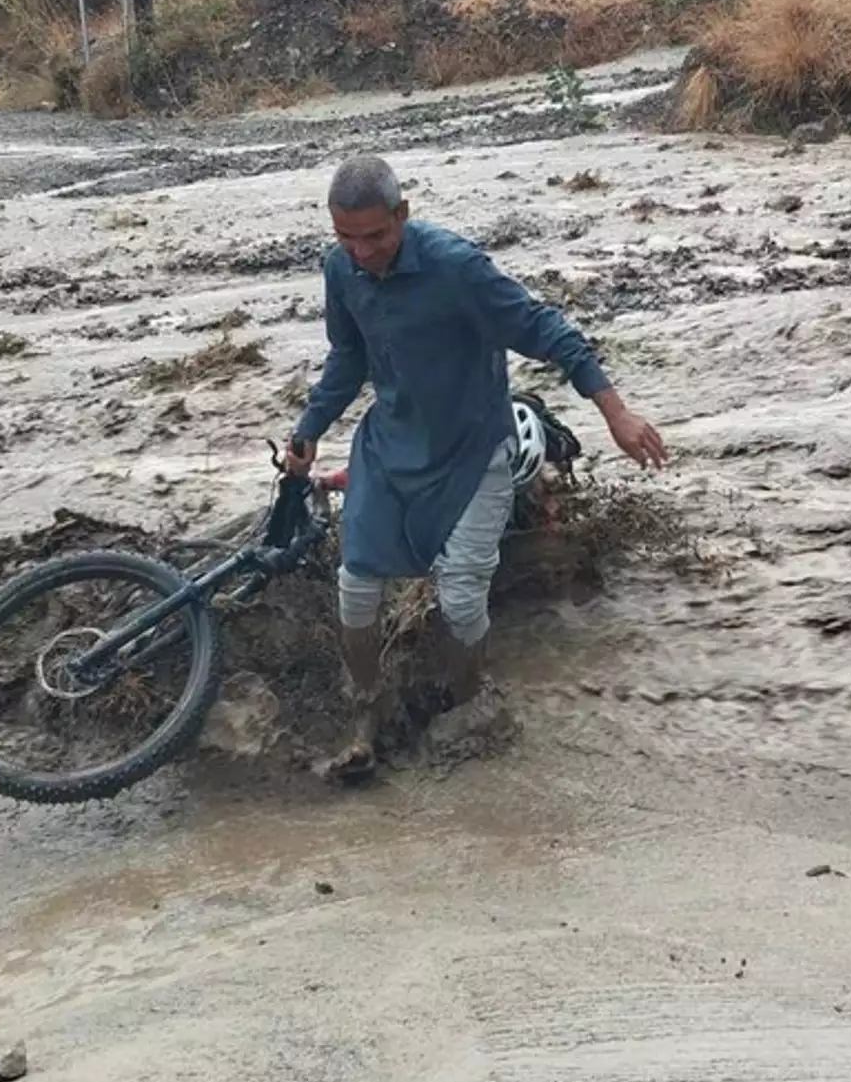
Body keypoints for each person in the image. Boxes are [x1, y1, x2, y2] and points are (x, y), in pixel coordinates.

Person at [285, 155, 667, 778]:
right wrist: (308, 429)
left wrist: (616, 415)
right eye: (346, 238)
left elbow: (548, 330)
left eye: (375, 236)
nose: (362, 252)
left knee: (461, 595)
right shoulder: (342, 271)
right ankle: (366, 719)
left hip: (472, 453)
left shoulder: (455, 267)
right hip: (389, 451)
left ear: (403, 216)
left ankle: (465, 705)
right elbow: (347, 358)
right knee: (356, 586)